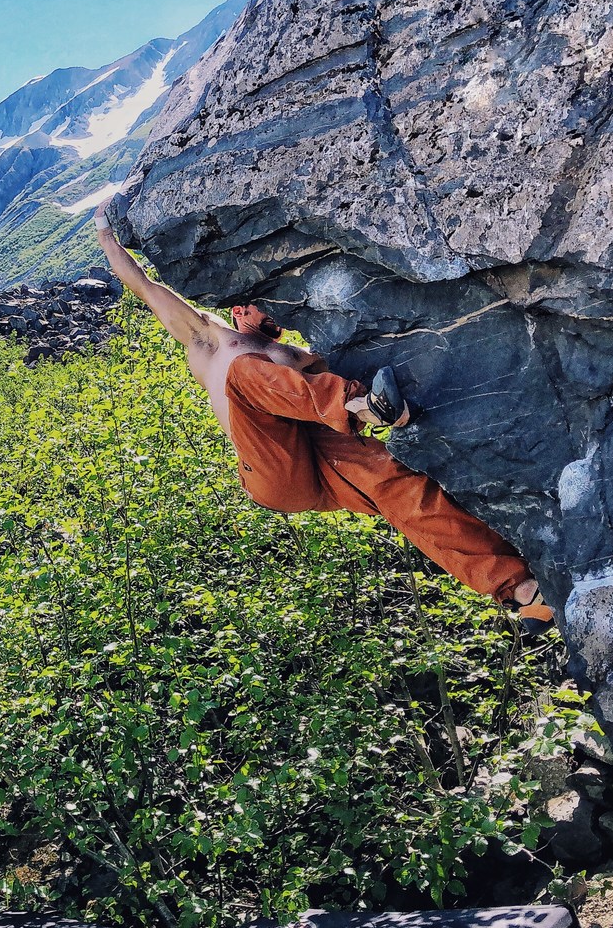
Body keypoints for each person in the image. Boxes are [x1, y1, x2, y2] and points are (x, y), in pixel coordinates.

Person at [93, 203, 555, 627]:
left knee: (401, 489)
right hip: (273, 471)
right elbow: (145, 288)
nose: (265, 311)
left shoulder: (293, 355)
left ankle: (517, 590)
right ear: (236, 311)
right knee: (243, 376)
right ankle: (360, 406)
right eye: (254, 307)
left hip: (318, 455)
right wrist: (106, 235)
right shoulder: (210, 342)